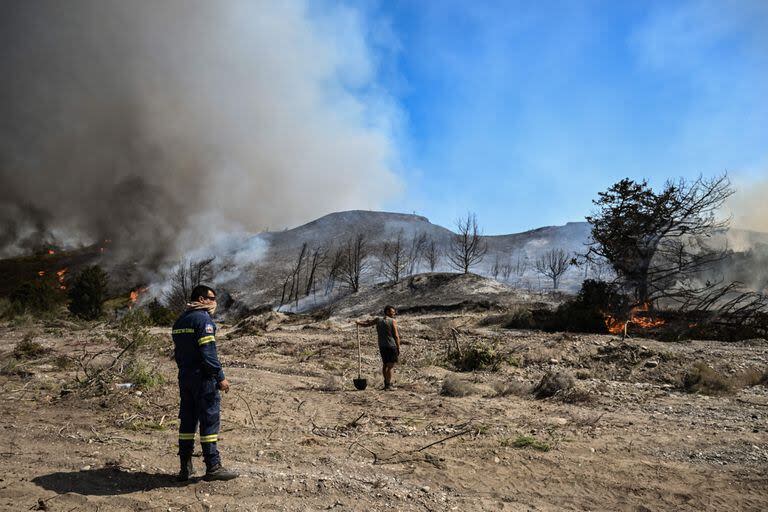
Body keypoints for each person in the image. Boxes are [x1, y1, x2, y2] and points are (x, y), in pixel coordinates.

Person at [171, 284, 238, 481]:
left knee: (188, 421)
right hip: (203, 379)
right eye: (210, 298)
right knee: (209, 419)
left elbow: (178, 353)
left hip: (185, 377)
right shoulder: (204, 321)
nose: (213, 302)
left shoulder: (180, 321)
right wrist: (221, 378)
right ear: (200, 299)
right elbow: (209, 354)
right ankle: (213, 466)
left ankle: (185, 467)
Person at [356, 305, 401, 390]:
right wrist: (398, 347)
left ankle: (386, 384)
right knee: (390, 366)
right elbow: (396, 336)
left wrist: (358, 323)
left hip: (382, 346)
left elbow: (367, 324)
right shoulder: (393, 321)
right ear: (387, 312)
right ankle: (388, 385)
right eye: (392, 311)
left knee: (385, 365)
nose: (394, 313)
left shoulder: (378, 320)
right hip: (391, 346)